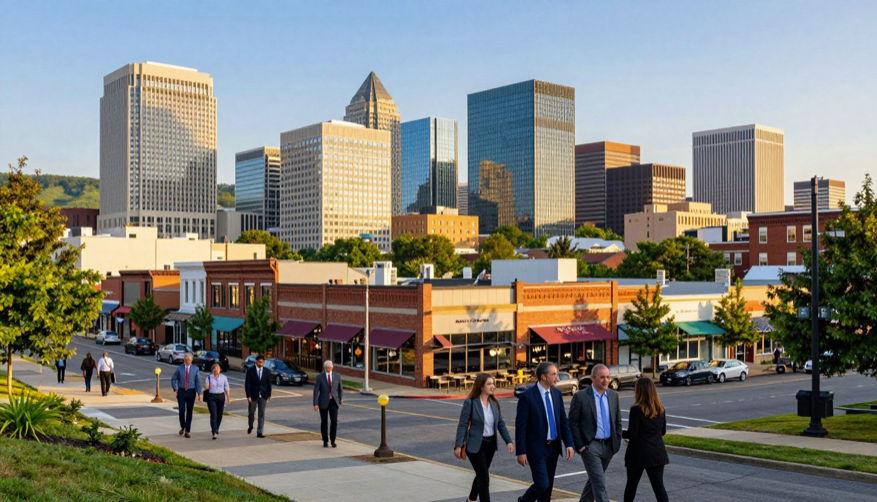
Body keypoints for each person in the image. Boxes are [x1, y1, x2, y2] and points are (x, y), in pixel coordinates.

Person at [515, 361, 575, 502]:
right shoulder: (527, 396)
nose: (557, 377)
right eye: (553, 374)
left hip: (553, 447)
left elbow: (563, 421)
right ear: (543, 376)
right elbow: (521, 427)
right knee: (542, 484)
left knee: (547, 490)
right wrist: (521, 452)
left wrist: (569, 444)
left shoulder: (556, 394)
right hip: (536, 448)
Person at [454, 373, 514, 502]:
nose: (493, 386)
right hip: (475, 445)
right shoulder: (470, 403)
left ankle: (471, 499)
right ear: (481, 386)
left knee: (481, 474)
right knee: (484, 478)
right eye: (489, 384)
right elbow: (463, 424)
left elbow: (501, 424)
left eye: (493, 383)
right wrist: (458, 445)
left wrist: (508, 441)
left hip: (490, 445)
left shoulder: (494, 403)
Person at [569, 364, 622, 502]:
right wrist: (580, 445)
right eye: (602, 377)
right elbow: (572, 422)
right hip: (590, 446)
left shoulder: (613, 396)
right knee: (599, 484)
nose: (606, 380)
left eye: (608, 377)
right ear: (593, 378)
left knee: (594, 480)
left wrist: (617, 442)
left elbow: (617, 421)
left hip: (609, 446)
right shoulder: (580, 397)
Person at [622, 378, 669, 502]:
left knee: (631, 485)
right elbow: (663, 431)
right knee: (659, 487)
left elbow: (632, 433)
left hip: (638, 454)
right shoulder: (661, 409)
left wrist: (620, 433)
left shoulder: (636, 410)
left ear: (639, 391)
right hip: (657, 453)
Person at [171, 353, 202, 438]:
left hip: (191, 391)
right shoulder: (179, 368)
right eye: (186, 359)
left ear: (191, 360)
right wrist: (175, 388)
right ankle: (182, 426)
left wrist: (200, 393)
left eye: (189, 359)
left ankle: (187, 431)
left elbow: (198, 382)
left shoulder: (195, 369)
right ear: (184, 359)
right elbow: (173, 379)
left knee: (189, 412)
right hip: (181, 391)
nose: (187, 360)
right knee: (181, 410)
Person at [313, 360, 343, 447]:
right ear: (325, 368)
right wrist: (315, 404)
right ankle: (325, 440)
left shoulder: (337, 376)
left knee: (334, 421)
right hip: (323, 402)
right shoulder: (320, 377)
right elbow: (316, 391)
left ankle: (333, 440)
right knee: (324, 422)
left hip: (334, 402)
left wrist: (340, 398)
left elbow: (340, 389)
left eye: (330, 367)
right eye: (327, 368)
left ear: (332, 367)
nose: (329, 369)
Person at [245, 354, 272, 438]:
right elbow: (247, 384)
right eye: (260, 362)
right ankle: (250, 426)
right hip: (253, 395)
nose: (261, 364)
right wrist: (248, 396)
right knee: (251, 413)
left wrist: (269, 394)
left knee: (262, 413)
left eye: (263, 362)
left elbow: (269, 384)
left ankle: (260, 432)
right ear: (256, 362)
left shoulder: (267, 371)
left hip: (263, 395)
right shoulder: (250, 371)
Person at [204, 363, 231, 440]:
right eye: (214, 368)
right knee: (213, 414)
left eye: (218, 368)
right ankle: (214, 431)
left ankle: (217, 428)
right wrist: (206, 387)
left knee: (220, 414)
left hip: (221, 396)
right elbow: (206, 386)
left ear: (220, 369)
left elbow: (227, 388)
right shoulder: (209, 377)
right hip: (212, 397)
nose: (216, 369)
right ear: (212, 370)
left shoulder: (224, 378)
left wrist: (228, 398)